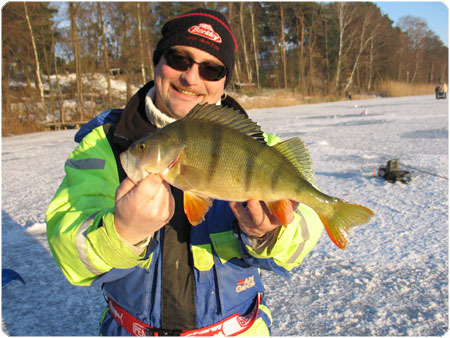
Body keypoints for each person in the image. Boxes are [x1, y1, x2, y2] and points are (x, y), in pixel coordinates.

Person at [46, 8, 324, 336]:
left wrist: (269, 233)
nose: (191, 78)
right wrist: (121, 231)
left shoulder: (263, 148)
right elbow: (69, 251)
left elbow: (306, 233)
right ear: (157, 62)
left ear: (224, 82)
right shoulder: (104, 144)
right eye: (178, 58)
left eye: (211, 69)